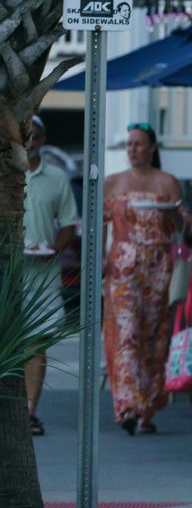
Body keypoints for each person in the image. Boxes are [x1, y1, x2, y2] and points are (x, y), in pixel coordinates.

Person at [102, 122, 184, 435]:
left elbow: (179, 227)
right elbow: (102, 224)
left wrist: (183, 218)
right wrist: (100, 260)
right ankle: (127, 407)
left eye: (138, 144)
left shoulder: (167, 183)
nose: (132, 149)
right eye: (129, 144)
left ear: (151, 147)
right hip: (123, 267)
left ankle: (148, 406)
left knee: (154, 336)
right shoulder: (113, 183)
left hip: (159, 268)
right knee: (125, 333)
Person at [23, 115, 78, 436]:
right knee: (12, 345)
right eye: (24, 135)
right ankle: (14, 408)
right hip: (10, 276)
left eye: (35, 136)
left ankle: (30, 410)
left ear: (42, 141)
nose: (30, 141)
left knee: (38, 343)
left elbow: (69, 225)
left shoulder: (57, 178)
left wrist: (53, 250)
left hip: (43, 275)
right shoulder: (4, 174)